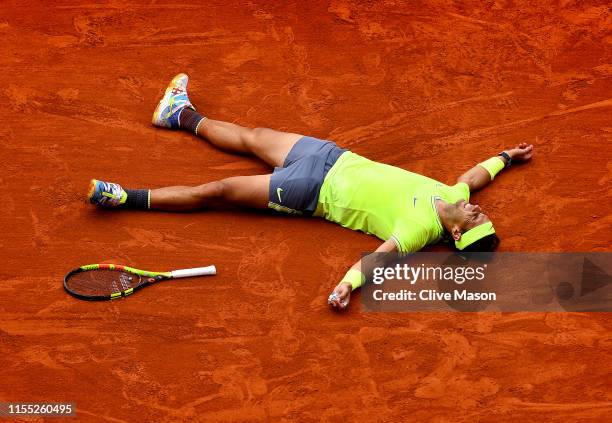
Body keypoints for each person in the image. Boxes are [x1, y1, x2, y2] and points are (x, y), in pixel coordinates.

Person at [88, 74, 534, 310]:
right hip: (331, 156)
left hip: (311, 190)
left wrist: (346, 286)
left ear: (455, 236)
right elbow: (476, 176)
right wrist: (507, 157)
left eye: (474, 218)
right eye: (479, 212)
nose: (474, 209)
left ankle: (123, 197)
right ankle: (179, 113)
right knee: (253, 135)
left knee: (220, 190)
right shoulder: (454, 194)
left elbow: (377, 260)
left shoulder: (419, 229)